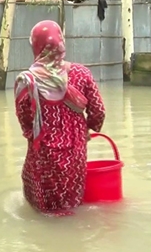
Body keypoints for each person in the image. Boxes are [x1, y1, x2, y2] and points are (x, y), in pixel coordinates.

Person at [14, 20, 106, 216]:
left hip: (41, 155)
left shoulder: (27, 81)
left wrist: (36, 134)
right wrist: (86, 129)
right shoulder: (82, 74)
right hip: (75, 150)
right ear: (61, 43)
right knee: (72, 201)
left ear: (35, 45)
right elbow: (98, 111)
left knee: (41, 210)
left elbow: (25, 122)